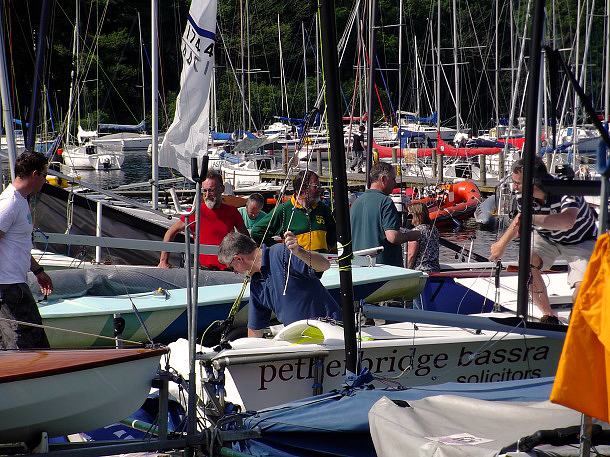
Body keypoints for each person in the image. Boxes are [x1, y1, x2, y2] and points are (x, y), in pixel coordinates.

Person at [489, 157, 597, 323]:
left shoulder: (564, 188)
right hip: (547, 236)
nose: (514, 186)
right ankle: (549, 316)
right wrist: (501, 245)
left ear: (534, 182)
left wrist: (531, 218)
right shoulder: (522, 196)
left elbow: (567, 221)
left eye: (517, 183)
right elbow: (520, 220)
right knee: (525, 261)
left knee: (582, 290)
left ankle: (576, 321)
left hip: (581, 240)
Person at [218, 231, 342, 337]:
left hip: (330, 332)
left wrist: (299, 252)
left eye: (231, 267)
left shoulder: (282, 253)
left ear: (238, 258)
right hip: (302, 339)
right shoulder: (256, 284)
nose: (234, 272)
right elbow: (255, 330)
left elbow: (324, 265)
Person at [0, 150, 53, 349]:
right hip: (7, 287)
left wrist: (37, 271)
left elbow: (17, 244)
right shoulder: (10, 203)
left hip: (16, 283)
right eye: (44, 175)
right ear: (34, 174)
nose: (45, 180)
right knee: (23, 345)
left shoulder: (21, 201)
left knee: (36, 342)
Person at [158, 170, 249, 270]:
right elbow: (170, 232)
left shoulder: (232, 211)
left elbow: (245, 238)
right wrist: (163, 261)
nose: (207, 195)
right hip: (204, 270)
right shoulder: (195, 211)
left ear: (222, 189)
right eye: (204, 191)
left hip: (230, 270)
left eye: (211, 190)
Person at [350, 162, 421, 267]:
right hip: (383, 269)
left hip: (359, 268)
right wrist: (412, 235)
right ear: (383, 179)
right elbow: (393, 237)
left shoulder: (356, 203)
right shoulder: (385, 202)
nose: (395, 183)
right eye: (392, 179)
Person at [251, 170, 337, 253]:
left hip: (321, 261)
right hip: (296, 263)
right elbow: (257, 231)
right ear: (303, 188)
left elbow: (334, 232)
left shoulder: (323, 209)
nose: (320, 189)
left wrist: (328, 247)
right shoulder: (284, 209)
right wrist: (279, 248)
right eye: (316, 186)